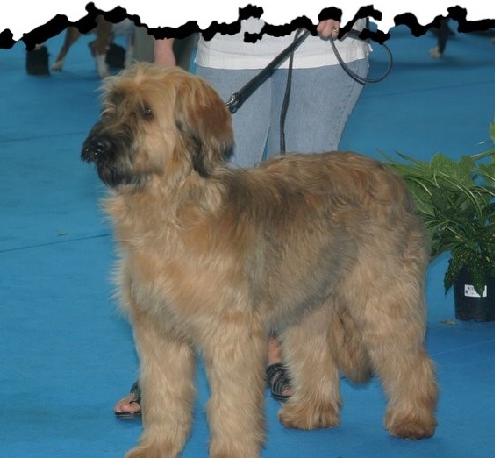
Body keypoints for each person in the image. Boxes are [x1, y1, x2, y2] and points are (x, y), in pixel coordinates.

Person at [114, 16, 371, 418]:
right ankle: (163, 371)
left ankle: (280, 353)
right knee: (196, 210)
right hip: (230, 43)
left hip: (320, 48)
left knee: (303, 226)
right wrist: (164, 44)